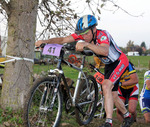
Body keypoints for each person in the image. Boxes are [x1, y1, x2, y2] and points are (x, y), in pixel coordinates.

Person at [35, 15, 133, 127]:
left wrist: (87, 44)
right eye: (82, 34)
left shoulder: (102, 35)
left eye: (86, 33)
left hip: (119, 61)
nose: (84, 36)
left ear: (94, 29)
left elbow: (105, 51)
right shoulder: (83, 34)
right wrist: (45, 41)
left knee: (106, 86)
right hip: (109, 65)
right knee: (113, 95)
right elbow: (62, 40)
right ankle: (127, 116)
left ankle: (108, 122)